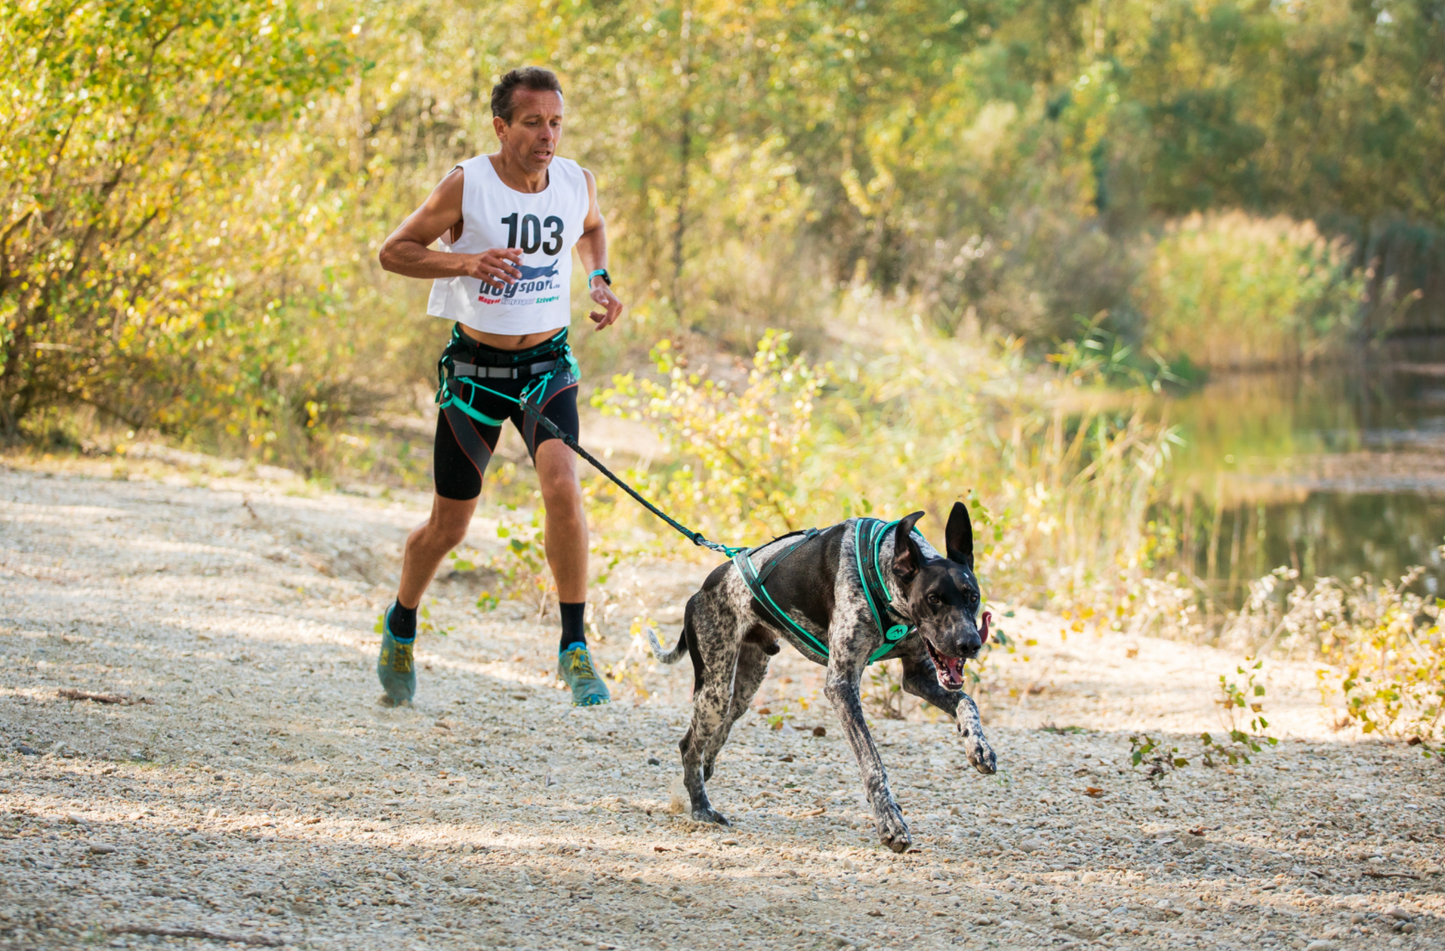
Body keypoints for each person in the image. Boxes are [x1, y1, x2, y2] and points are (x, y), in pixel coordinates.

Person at [375, 66, 623, 707]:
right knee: (448, 526)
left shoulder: (575, 181)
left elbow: (591, 228)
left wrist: (598, 277)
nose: (548, 135)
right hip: (476, 375)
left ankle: (574, 647)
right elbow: (394, 251)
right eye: (534, 122)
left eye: (557, 122)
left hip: (547, 366)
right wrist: (465, 261)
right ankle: (402, 621)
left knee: (562, 489)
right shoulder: (469, 183)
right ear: (502, 126)